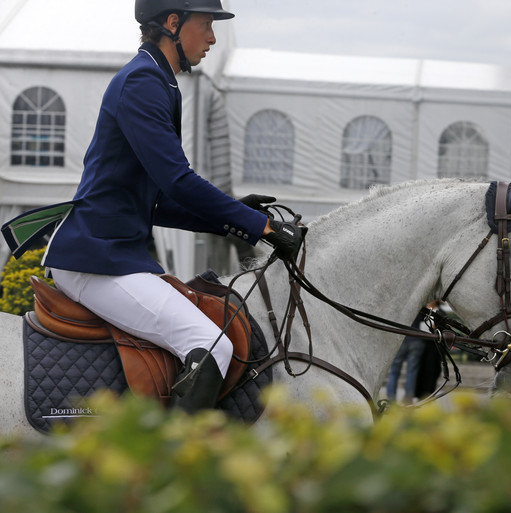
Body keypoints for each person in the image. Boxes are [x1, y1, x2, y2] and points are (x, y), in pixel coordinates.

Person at [16, 0, 304, 414]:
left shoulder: (159, 81)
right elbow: (177, 181)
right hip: (95, 259)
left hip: (113, 254)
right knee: (213, 346)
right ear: (173, 24)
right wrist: (262, 227)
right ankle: (171, 472)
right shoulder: (143, 82)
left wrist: (234, 219)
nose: (212, 38)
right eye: (205, 24)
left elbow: (158, 201)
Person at [386, 301, 440, 403]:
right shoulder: (420, 306)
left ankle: (390, 398)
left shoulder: (402, 305)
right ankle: (408, 398)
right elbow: (424, 323)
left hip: (401, 340)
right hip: (416, 340)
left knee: (394, 371)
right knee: (412, 371)